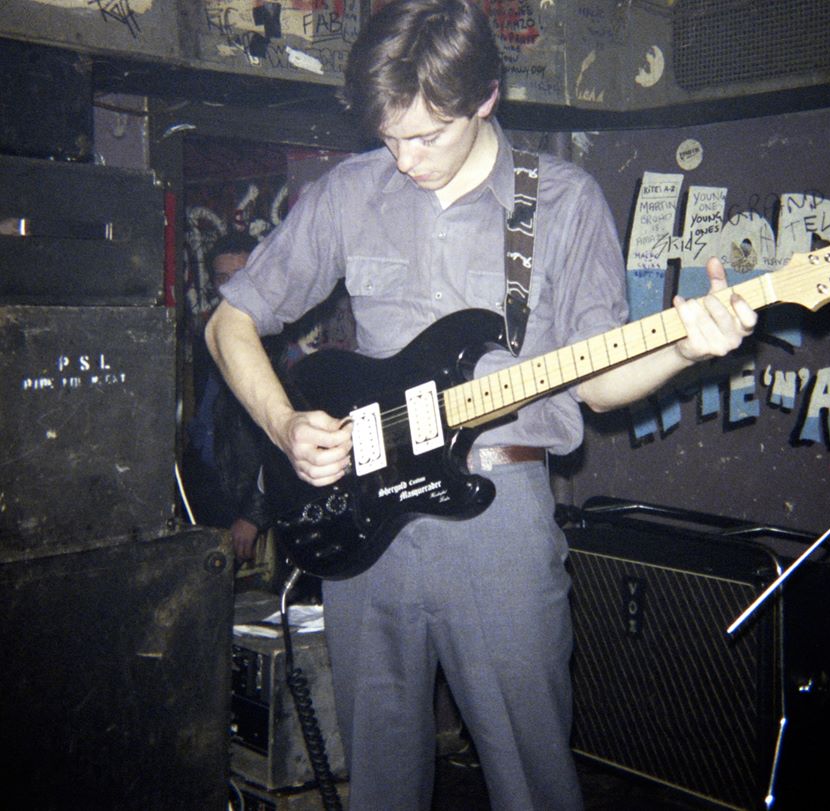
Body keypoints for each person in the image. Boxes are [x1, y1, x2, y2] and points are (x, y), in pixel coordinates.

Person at [205, 1, 757, 808]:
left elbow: (598, 382)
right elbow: (231, 323)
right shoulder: (351, 190)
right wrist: (285, 425)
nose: (404, 158)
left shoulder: (562, 203)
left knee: (532, 780)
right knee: (380, 786)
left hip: (501, 521)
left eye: (427, 135)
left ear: (486, 98)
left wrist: (681, 344)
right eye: (389, 136)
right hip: (365, 524)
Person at [184, 231, 273, 561]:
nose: (230, 287)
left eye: (241, 277)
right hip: (204, 486)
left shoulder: (273, 347)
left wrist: (253, 515)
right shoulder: (206, 336)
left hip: (243, 496)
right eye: (222, 278)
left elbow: (280, 442)